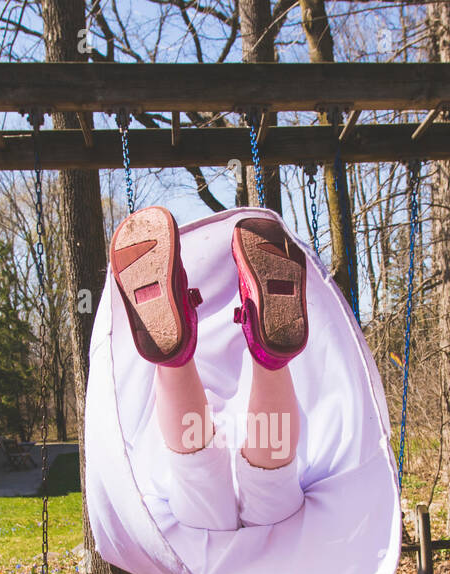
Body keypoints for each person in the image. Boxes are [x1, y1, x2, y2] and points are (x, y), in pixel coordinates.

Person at [108, 206, 309, 535]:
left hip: (272, 546)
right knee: (197, 469)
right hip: (212, 545)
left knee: (267, 475)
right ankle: (182, 360)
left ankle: (263, 358)